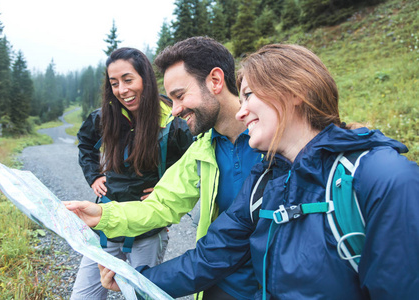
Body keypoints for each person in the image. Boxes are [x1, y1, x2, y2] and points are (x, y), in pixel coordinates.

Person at [97, 44, 419, 299]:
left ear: (293, 93)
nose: (242, 110)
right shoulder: (266, 179)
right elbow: (212, 255)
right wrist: (136, 279)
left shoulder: (380, 178)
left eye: (249, 94)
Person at [65, 37, 263, 299]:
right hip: (222, 285)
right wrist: (101, 215)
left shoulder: (272, 140)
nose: (176, 110)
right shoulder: (201, 150)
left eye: (179, 96)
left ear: (215, 81)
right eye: (171, 99)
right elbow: (161, 206)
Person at [71, 47, 193, 300]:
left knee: (142, 296)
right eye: (114, 83)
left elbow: (192, 163)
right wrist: (94, 175)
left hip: (148, 231)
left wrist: (164, 190)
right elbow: (85, 142)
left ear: (145, 79)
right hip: (104, 224)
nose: (122, 90)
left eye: (128, 80)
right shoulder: (107, 117)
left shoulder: (173, 120)